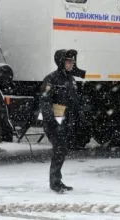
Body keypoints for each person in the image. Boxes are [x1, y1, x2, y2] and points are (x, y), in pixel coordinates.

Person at [40, 49, 86, 193]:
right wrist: (51, 121)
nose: (71, 64)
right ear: (61, 62)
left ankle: (58, 180)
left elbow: (75, 101)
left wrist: (81, 117)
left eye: (72, 61)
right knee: (59, 150)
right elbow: (45, 101)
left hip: (66, 121)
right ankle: (54, 182)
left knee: (62, 150)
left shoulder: (71, 79)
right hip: (54, 122)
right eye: (68, 61)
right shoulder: (51, 79)